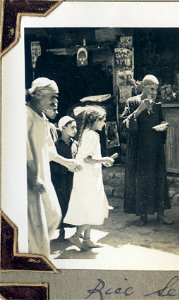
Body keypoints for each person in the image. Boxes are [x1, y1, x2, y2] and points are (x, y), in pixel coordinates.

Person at [26, 77, 78, 256]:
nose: (55, 101)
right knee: (36, 231)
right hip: (30, 181)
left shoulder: (43, 120)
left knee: (54, 215)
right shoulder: (25, 115)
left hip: (43, 178)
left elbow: (49, 151)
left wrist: (67, 162)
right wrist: (32, 177)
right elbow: (20, 150)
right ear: (39, 94)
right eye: (52, 96)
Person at [122, 75, 172, 227]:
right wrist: (139, 110)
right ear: (144, 87)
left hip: (155, 149)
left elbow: (161, 121)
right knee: (142, 181)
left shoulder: (157, 105)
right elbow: (124, 124)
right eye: (151, 89)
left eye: (156, 89)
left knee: (159, 179)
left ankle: (161, 214)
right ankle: (142, 215)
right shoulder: (132, 102)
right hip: (139, 151)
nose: (154, 92)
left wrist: (164, 125)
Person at [64, 106, 114, 249]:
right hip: (87, 177)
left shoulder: (87, 133)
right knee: (92, 207)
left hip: (88, 175)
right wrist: (104, 159)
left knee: (90, 206)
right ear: (95, 120)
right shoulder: (92, 135)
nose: (104, 123)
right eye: (103, 120)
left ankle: (87, 239)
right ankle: (76, 236)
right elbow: (87, 158)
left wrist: (102, 160)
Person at [50, 116, 78, 241]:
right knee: (62, 203)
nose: (75, 130)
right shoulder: (56, 146)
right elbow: (53, 164)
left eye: (76, 127)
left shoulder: (75, 144)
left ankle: (77, 231)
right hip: (60, 179)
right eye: (72, 127)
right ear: (63, 128)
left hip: (74, 178)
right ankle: (61, 231)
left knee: (74, 203)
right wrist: (66, 168)